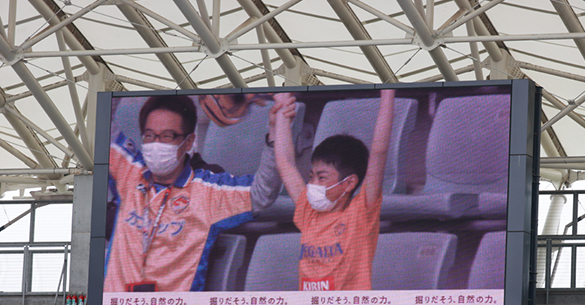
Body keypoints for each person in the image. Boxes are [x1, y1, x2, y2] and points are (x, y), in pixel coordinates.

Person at [104, 94, 291, 292]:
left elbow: (263, 192)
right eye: (149, 136)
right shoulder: (129, 170)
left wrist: (275, 130)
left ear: (188, 142)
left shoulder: (207, 191)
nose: (156, 144)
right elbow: (98, 124)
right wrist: (117, 84)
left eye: (167, 136)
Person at [274, 90, 395, 290]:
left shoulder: (360, 213)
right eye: (311, 176)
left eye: (322, 177)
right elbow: (284, 162)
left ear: (349, 183)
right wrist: (281, 110)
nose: (313, 184)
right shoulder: (308, 212)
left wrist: (388, 94)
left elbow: (379, 151)